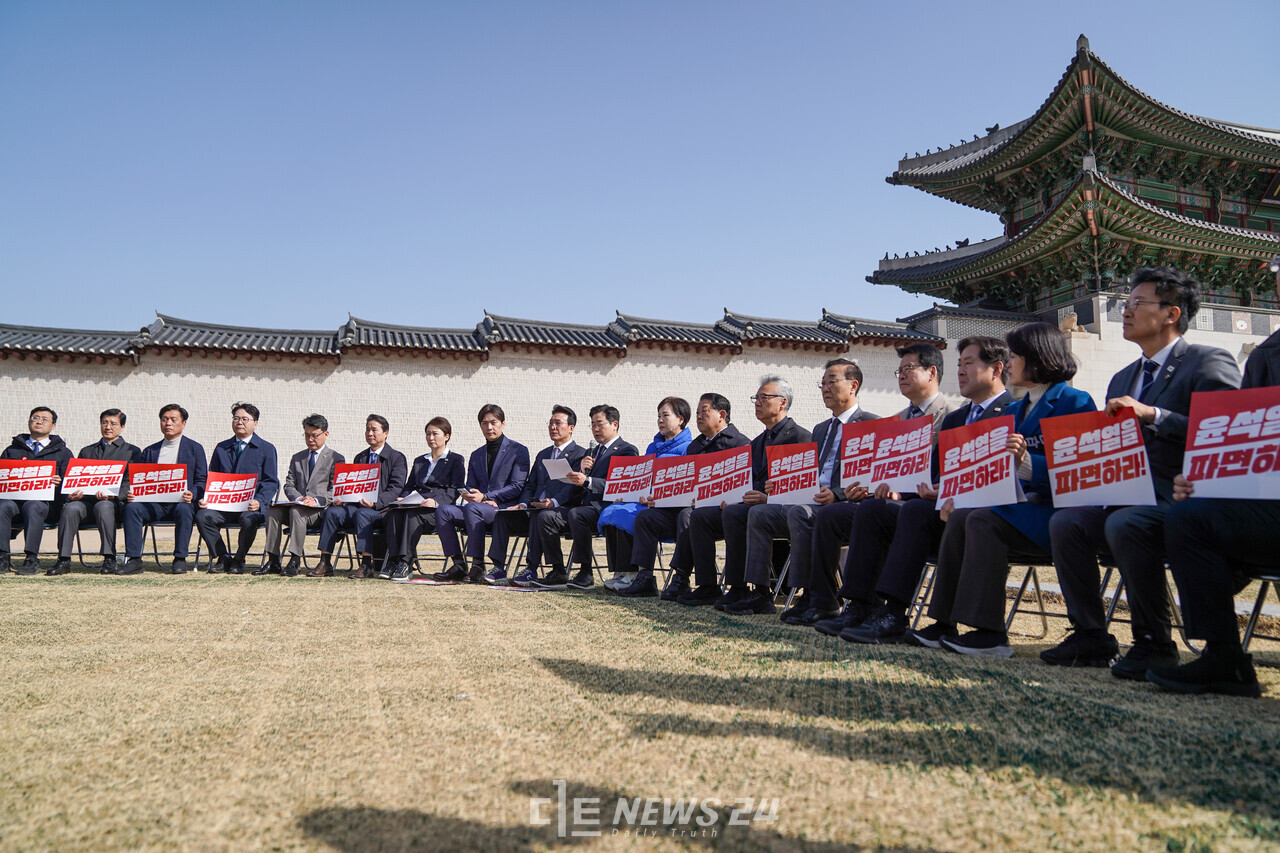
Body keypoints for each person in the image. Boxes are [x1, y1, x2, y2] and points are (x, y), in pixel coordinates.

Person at [1043, 267, 1241, 673]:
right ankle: (1091, 636)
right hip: (1124, 495)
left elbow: (1227, 432)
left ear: (1171, 313)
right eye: (1125, 305)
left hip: (1180, 497)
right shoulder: (1123, 377)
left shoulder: (1207, 361)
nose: (1125, 312)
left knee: (1127, 523)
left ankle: (1154, 641)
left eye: (1136, 304)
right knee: (1068, 522)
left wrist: (1154, 414)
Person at [909, 322, 1097, 657]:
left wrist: (1028, 462)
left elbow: (1079, 469)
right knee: (964, 514)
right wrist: (957, 493)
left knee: (980, 519)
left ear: (1039, 358)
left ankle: (990, 633)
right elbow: (990, 472)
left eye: (1015, 356)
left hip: (1053, 510)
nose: (1009, 364)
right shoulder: (1014, 409)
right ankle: (945, 622)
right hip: (1018, 509)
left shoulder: (1075, 401)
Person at [1146, 258, 1280, 698]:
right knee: (1192, 515)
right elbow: (1247, 447)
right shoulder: (1267, 356)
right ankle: (1224, 655)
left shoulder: (1209, 361)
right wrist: (1207, 480)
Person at [835, 336, 1014, 643]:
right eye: (959, 364)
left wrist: (940, 491)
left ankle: (895, 611)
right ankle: (860, 604)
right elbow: (935, 472)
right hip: (939, 505)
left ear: (996, 369)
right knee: (873, 509)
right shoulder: (958, 419)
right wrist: (927, 488)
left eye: (968, 364)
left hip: (980, 511)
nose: (960, 371)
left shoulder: (1012, 410)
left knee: (916, 512)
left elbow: (1006, 471)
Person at [806, 343, 952, 628]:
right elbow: (884, 474)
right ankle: (850, 604)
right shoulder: (896, 422)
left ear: (931, 372)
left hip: (930, 507)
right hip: (893, 503)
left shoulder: (952, 417)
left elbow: (956, 471)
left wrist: (936, 487)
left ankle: (886, 609)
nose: (901, 376)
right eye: (899, 370)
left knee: (878, 511)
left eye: (908, 369)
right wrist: (867, 487)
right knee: (837, 514)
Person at [724, 358, 879, 619]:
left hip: (845, 506)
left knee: (800, 513)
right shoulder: (821, 429)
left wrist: (838, 493)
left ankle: (809, 593)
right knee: (760, 514)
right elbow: (809, 475)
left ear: (853, 385)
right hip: (811, 502)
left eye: (832, 381)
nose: (825, 387)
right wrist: (781, 486)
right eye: (823, 383)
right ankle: (760, 591)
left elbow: (871, 474)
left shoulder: (871, 424)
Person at [681, 376, 811, 608]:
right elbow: (743, 481)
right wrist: (723, 496)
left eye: (764, 398)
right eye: (756, 398)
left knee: (738, 514)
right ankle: (710, 586)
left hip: (780, 509)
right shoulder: (757, 442)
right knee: (700, 516)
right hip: (750, 505)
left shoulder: (801, 437)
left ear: (782, 402)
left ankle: (754, 590)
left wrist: (768, 497)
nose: (757, 403)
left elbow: (803, 486)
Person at [615, 393, 751, 598]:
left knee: (689, 515)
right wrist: (658, 497)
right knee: (646, 517)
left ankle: (684, 578)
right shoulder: (694, 447)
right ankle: (645, 577)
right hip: (686, 508)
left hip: (719, 512)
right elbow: (684, 485)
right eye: (696, 412)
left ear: (721, 414)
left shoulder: (741, 443)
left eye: (703, 411)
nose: (698, 416)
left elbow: (745, 483)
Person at [485, 405, 588, 587]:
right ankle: (498, 567)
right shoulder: (543, 454)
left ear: (571, 428)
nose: (553, 427)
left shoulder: (580, 454)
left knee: (539, 516)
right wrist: (523, 504)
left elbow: (576, 488)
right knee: (503, 515)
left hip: (560, 511)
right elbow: (530, 484)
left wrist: (554, 502)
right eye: (550, 424)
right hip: (534, 507)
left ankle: (531, 569)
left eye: (558, 423)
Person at [598, 397, 693, 591]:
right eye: (658, 416)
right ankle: (621, 572)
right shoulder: (652, 447)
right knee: (613, 510)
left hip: (670, 509)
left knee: (631, 516)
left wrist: (660, 498)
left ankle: (635, 574)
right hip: (647, 501)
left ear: (681, 419)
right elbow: (644, 477)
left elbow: (687, 486)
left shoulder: (689, 448)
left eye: (665, 415)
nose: (660, 420)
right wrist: (629, 492)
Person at [431, 404, 529, 583]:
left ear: (503, 424)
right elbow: (471, 486)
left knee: (473, 509)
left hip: (502, 509)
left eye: (493, 422)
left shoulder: (518, 450)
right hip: (477, 508)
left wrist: (487, 497)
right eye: (484, 423)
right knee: (443, 511)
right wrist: (468, 494)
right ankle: (459, 564)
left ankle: (478, 565)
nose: (489, 427)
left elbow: (517, 486)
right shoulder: (476, 454)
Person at [312, 415, 407, 579]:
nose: (370, 433)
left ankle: (366, 564)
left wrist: (375, 502)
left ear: (386, 433)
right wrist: (343, 497)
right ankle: (325, 561)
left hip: (381, 510)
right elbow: (354, 486)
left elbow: (396, 488)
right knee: (332, 512)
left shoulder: (396, 458)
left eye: (374, 430)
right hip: (356, 506)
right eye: (367, 429)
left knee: (362, 514)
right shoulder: (360, 457)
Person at [556, 404, 639, 590]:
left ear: (614, 424)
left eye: (600, 424)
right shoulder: (591, 452)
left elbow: (622, 485)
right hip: (587, 506)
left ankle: (586, 571)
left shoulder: (627, 450)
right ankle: (561, 571)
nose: (595, 429)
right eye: (592, 425)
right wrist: (581, 472)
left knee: (578, 515)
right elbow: (582, 484)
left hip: (609, 506)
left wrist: (588, 480)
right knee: (557, 515)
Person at [120, 404, 208, 575]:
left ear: (183, 423)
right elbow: (138, 479)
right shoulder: (150, 451)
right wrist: (133, 493)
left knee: (184, 509)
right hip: (155, 504)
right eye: (164, 419)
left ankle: (180, 558)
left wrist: (193, 493)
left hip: (182, 502)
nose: (168, 423)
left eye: (173, 420)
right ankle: (134, 559)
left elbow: (202, 480)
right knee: (132, 508)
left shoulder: (195, 449)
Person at [53, 408, 141, 576]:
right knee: (70, 508)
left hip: (114, 505)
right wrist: (73, 493)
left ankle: (109, 557)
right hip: (86, 502)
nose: (108, 427)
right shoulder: (87, 451)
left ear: (122, 427)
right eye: (104, 423)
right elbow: (76, 478)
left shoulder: (132, 451)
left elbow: (131, 481)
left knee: (104, 506)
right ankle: (63, 559)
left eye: (113, 424)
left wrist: (113, 494)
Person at [195, 402, 280, 574]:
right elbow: (213, 478)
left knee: (248, 519)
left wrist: (259, 500)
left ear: (255, 423)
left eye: (245, 419)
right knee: (203, 516)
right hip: (224, 506)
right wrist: (207, 498)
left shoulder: (266, 449)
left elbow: (271, 481)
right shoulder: (222, 448)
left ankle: (239, 559)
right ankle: (223, 557)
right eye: (236, 418)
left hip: (251, 506)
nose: (239, 422)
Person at [258, 414, 345, 577]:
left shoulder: (336, 458)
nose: (310, 439)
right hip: (298, 505)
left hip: (319, 511)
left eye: (314, 435)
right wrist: (299, 499)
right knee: (273, 512)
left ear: (326, 434)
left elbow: (336, 488)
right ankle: (273, 560)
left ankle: (295, 559)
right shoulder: (297, 458)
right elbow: (289, 485)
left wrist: (316, 500)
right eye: (307, 435)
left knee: (296, 512)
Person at [380, 417, 465, 581]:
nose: (431, 438)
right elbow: (409, 486)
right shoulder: (420, 461)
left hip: (436, 510)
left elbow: (455, 489)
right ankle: (393, 560)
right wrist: (402, 498)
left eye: (435, 434)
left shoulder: (455, 460)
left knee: (413, 517)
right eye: (428, 434)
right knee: (393, 513)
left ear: (447, 436)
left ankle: (405, 563)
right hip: (415, 503)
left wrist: (436, 501)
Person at [0, 406, 73, 575]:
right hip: (15, 503)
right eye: (35, 418)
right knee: (2, 506)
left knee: (33, 506)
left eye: (44, 419)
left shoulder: (62, 452)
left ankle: (31, 559)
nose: (39, 421)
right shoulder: (12, 451)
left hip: (47, 506)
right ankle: (2, 557)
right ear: (29, 421)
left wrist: (60, 482)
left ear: (53, 426)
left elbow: (71, 485)